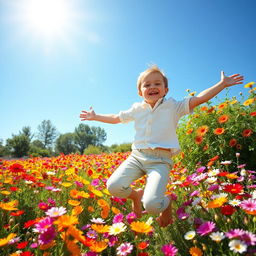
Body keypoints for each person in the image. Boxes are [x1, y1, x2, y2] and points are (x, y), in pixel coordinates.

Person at [80, 65, 243, 227]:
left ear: (165, 90)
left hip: (160, 161)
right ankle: (136, 196)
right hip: (136, 157)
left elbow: (199, 99)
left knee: (151, 206)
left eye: (157, 84)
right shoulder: (136, 109)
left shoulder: (173, 106)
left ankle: (167, 203)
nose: (152, 87)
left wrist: (222, 84)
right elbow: (116, 117)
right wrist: (96, 117)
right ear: (140, 92)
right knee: (113, 187)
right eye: (147, 84)